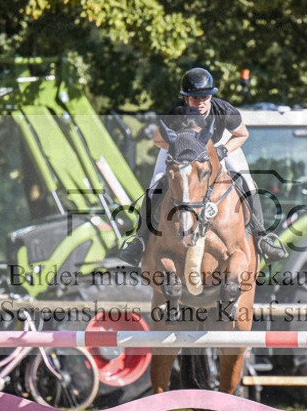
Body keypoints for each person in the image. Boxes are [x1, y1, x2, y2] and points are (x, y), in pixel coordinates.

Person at [118, 67, 287, 266]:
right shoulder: (176, 113)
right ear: (184, 98)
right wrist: (178, 149)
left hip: (217, 145)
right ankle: (139, 240)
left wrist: (222, 150)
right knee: (156, 184)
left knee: (247, 182)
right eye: (194, 98)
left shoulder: (224, 110)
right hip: (180, 148)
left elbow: (242, 134)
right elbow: (158, 140)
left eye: (205, 97)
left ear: (211, 96)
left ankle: (262, 237)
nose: (200, 103)